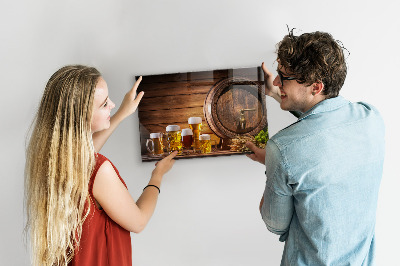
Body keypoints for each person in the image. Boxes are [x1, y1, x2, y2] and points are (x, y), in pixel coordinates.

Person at [246, 31, 385, 265]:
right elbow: (325, 123)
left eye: (283, 77)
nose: (277, 81)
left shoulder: (282, 149)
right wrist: (275, 92)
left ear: (316, 86)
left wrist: (273, 163)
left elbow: (275, 224)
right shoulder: (371, 118)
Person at [24, 65, 178, 266]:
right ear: (82, 117)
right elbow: (138, 221)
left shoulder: (53, 160)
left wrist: (122, 113)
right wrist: (157, 175)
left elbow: (86, 157)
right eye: (105, 104)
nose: (113, 104)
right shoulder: (99, 170)